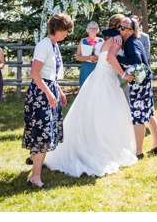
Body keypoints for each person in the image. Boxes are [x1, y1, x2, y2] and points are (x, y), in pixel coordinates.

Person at [44, 14, 138, 177]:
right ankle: (101, 148)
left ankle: (95, 143)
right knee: (107, 114)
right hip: (106, 80)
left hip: (98, 78)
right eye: (122, 26)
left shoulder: (109, 39)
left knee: (97, 114)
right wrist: (124, 75)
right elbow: (110, 58)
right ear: (119, 28)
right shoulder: (116, 40)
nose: (124, 29)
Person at [23, 13, 72, 189]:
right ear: (58, 28)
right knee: (42, 135)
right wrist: (49, 94)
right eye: (66, 30)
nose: (68, 33)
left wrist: (59, 91)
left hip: (49, 91)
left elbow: (50, 75)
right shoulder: (44, 45)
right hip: (40, 95)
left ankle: (34, 162)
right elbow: (35, 73)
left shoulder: (54, 45)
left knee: (44, 133)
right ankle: (35, 177)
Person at [111, 16, 157, 158]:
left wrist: (118, 59)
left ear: (130, 31)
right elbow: (108, 30)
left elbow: (136, 61)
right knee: (148, 113)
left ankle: (138, 152)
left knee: (137, 118)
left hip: (139, 84)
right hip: (147, 81)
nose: (119, 29)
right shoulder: (135, 40)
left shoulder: (130, 43)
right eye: (119, 27)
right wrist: (117, 33)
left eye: (122, 28)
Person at [75, 21, 103, 87]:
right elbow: (77, 57)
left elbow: (104, 56)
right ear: (88, 29)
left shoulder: (101, 41)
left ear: (97, 30)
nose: (93, 30)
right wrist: (88, 58)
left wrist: (98, 58)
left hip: (97, 67)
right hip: (86, 68)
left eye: (95, 28)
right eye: (91, 28)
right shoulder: (83, 41)